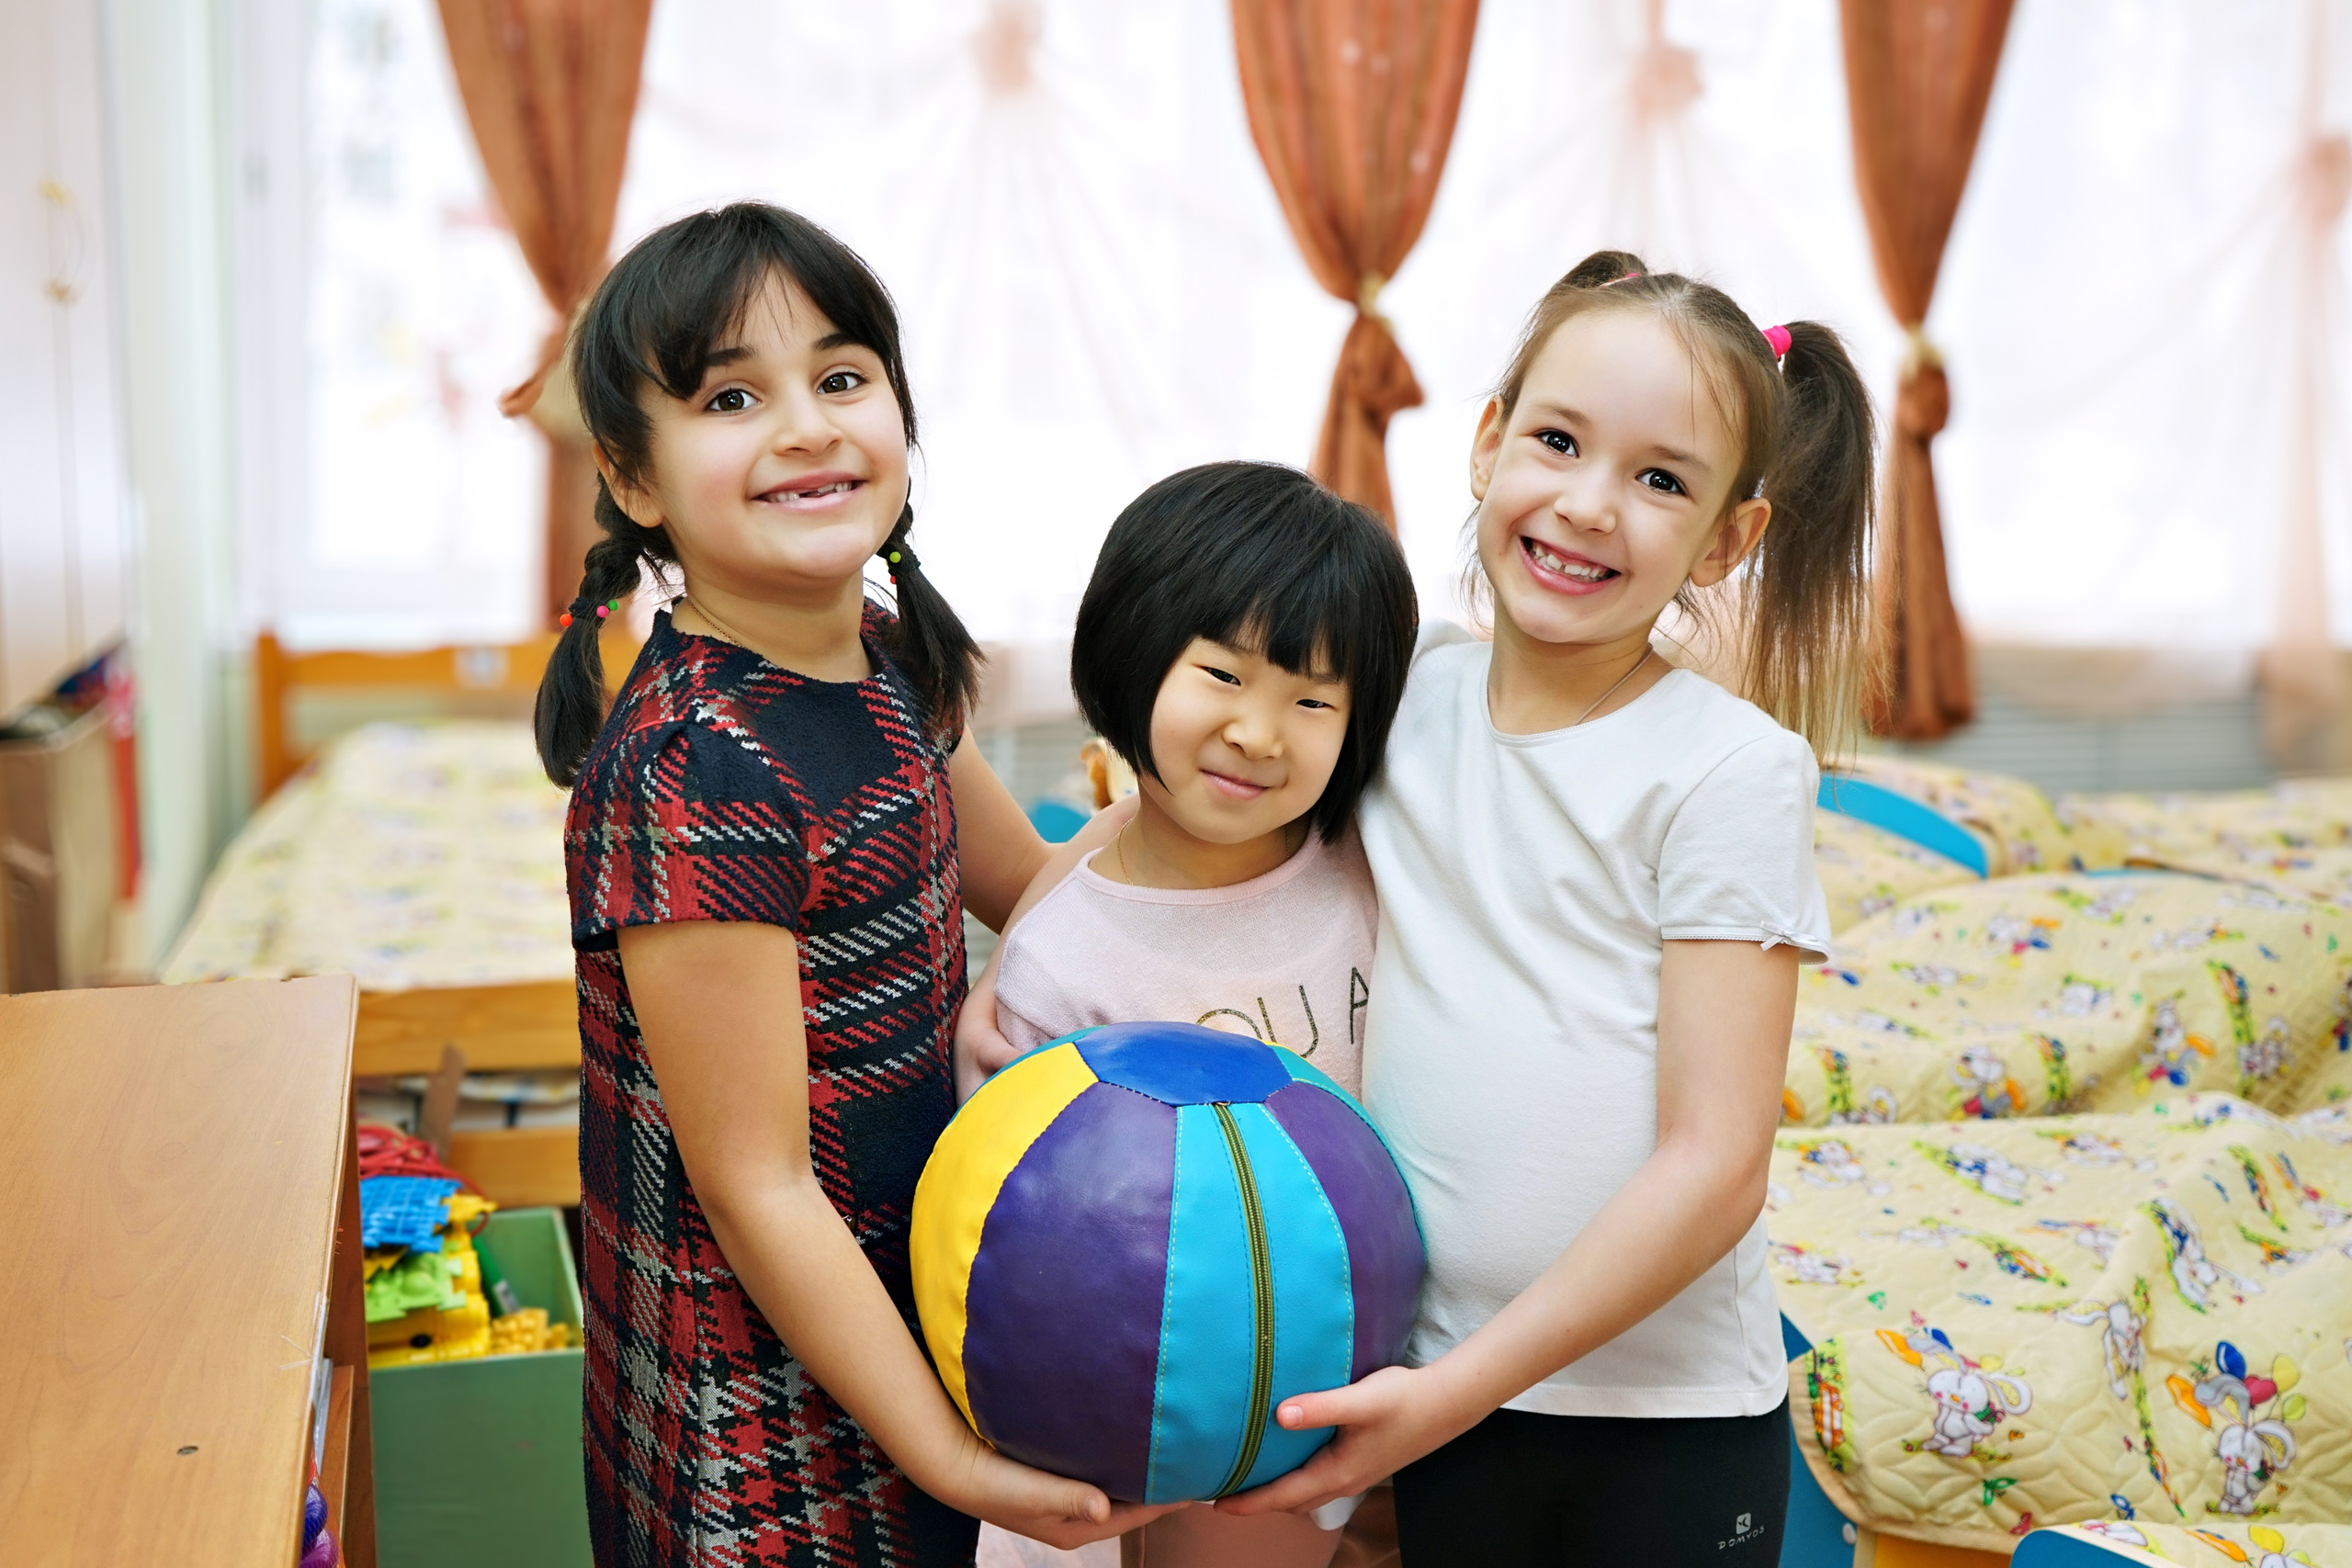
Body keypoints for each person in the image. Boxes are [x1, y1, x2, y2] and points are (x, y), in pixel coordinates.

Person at [537, 202, 1170, 1567]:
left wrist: (1215, 791)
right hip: (750, 1408)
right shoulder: (691, 764)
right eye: (731, 396)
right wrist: (943, 1447)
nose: (810, 424)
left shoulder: (884, 655)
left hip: (898, 1314)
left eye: (840, 377)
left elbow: (1040, 886)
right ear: (636, 481)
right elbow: (758, 1181)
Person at [1216, 250, 1871, 1563]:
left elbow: (1716, 1161)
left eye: (1659, 478)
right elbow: (1199, 799)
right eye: (1560, 440)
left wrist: (1445, 1396)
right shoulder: (1400, 699)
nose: (1587, 505)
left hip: (1659, 1420)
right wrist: (1044, 927)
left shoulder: (1731, 768)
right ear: (1487, 442)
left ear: (1728, 537)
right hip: (1452, 1393)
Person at [957, 459, 1416, 1568]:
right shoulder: (1066, 949)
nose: (1262, 734)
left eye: (1312, 701)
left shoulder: (1377, 858)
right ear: (1133, 653)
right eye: (1221, 674)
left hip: (1360, 1352)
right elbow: (1016, 1215)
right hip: (1149, 1381)